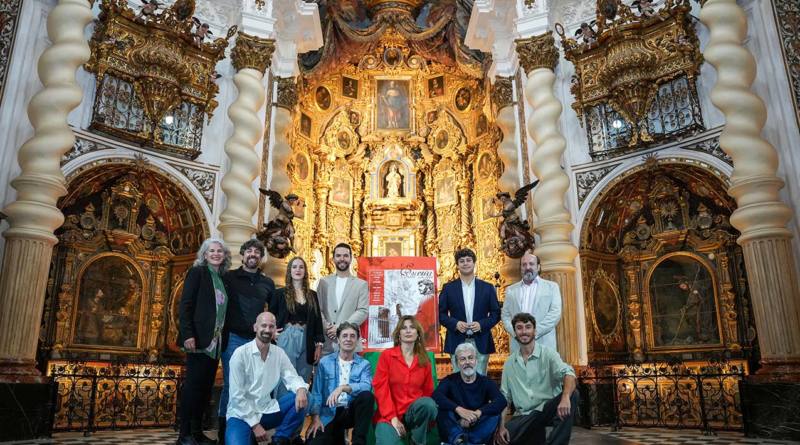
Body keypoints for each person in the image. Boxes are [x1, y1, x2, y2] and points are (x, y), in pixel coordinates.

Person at [218, 239, 275, 444]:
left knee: (254, 386)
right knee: (231, 386)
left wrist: (274, 330)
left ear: (261, 258)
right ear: (242, 254)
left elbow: (274, 310)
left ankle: (248, 431)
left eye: (257, 252)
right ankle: (224, 432)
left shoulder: (267, 282)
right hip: (233, 337)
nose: (253, 255)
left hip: (256, 341)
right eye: (249, 251)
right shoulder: (229, 277)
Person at [177, 238, 232, 445]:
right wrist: (187, 334)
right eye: (212, 251)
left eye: (220, 251)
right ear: (205, 254)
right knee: (193, 388)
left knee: (204, 389)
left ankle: (197, 432)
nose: (216, 254)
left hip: (215, 343)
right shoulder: (198, 272)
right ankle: (184, 435)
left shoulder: (223, 278)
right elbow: (186, 305)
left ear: (225, 255)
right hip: (198, 339)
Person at [225, 312, 309, 445]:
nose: (267, 330)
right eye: (263, 325)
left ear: (275, 329)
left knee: (302, 394)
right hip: (241, 415)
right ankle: (251, 435)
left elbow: (292, 377)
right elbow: (236, 397)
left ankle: (280, 439)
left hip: (266, 411)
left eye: (271, 326)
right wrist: (255, 426)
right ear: (255, 327)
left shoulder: (278, 353)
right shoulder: (240, 354)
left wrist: (300, 389)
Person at [494, 313, 577, 445]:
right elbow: (505, 397)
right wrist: (502, 426)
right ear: (515, 333)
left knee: (573, 394)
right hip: (525, 416)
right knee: (500, 440)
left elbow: (569, 373)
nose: (524, 331)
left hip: (548, 410)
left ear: (535, 331)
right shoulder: (510, 363)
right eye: (519, 328)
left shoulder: (548, 354)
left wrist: (565, 397)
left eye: (528, 327)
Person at [306, 322, 375, 445]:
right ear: (338, 339)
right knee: (314, 442)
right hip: (329, 413)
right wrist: (315, 418)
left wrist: (343, 388)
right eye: (345, 336)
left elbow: (366, 386)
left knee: (367, 396)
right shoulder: (324, 362)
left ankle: (358, 441)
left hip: (351, 412)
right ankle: (337, 436)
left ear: (357, 340)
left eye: (352, 336)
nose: (348, 339)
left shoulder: (364, 364)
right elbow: (316, 393)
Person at [373, 315, 438, 445]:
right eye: (404, 328)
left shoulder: (425, 360)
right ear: (399, 334)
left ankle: (416, 440)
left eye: (412, 327)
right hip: (389, 416)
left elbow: (428, 392)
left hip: (413, 415)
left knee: (428, 403)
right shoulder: (387, 356)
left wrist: (425, 422)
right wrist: (393, 418)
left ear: (418, 334)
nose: (408, 331)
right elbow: (381, 390)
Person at [439, 248, 500, 375]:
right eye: (462, 261)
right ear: (457, 265)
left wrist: (481, 324)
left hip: (480, 341)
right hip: (457, 341)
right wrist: (455, 324)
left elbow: (496, 314)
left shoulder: (487, 288)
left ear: (474, 263)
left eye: (468, 260)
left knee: (480, 380)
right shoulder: (448, 288)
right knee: (459, 381)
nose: (465, 263)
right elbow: (441, 314)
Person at [433, 342, 507, 445]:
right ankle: (460, 439)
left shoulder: (485, 381)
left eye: (470, 358)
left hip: (478, 426)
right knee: (443, 410)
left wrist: (477, 413)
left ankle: (465, 442)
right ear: (457, 363)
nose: (467, 362)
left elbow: (501, 401)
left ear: (476, 361)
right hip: (456, 426)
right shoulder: (449, 380)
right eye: (463, 359)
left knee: (494, 414)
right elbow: (436, 396)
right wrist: (459, 410)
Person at [269, 256, 325, 394]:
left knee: (303, 376)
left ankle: (299, 413)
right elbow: (270, 316)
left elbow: (317, 320)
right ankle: (281, 411)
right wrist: (272, 332)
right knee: (286, 376)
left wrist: (319, 344)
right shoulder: (279, 294)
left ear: (305, 271)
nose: (298, 270)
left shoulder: (312, 295)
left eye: (301, 267)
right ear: (289, 271)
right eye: (294, 267)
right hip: (287, 335)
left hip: (307, 338)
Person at [501, 251, 562, 353]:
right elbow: (505, 315)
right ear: (520, 268)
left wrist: (534, 332)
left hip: (544, 345)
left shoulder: (552, 287)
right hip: (518, 347)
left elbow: (555, 314)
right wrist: (517, 333)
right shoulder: (511, 290)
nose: (527, 267)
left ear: (538, 267)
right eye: (524, 264)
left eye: (531, 264)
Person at [316, 243, 369, 353]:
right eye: (338, 256)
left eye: (345, 256)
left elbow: (363, 311)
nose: (342, 259)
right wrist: (328, 327)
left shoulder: (361, 284)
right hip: (328, 342)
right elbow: (317, 309)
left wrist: (341, 328)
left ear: (350, 258)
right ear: (333, 259)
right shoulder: (324, 282)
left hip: (350, 343)